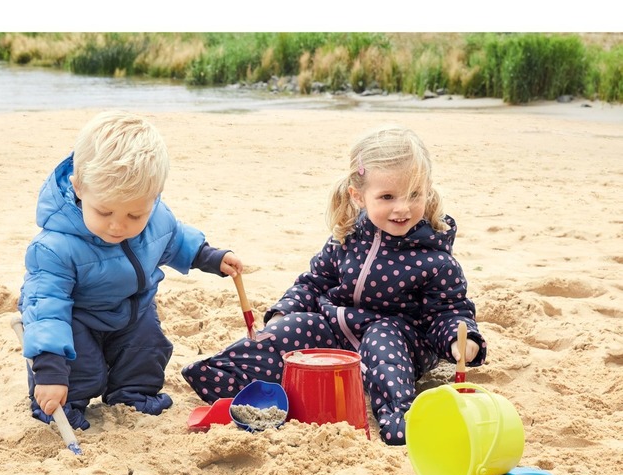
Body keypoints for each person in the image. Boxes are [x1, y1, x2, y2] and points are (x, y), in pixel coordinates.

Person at [182, 125, 486, 445]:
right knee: (298, 326)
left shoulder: (434, 258)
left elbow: (448, 310)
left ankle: (399, 416)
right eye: (387, 197)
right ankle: (227, 376)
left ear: (428, 190)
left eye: (414, 195)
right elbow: (314, 283)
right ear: (358, 196)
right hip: (338, 335)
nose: (402, 207)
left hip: (400, 344)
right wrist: (285, 312)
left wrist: (457, 338)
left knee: (382, 335)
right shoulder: (347, 237)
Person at [18, 110, 243, 430]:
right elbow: (46, 309)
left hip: (131, 306)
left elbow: (175, 238)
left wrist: (210, 257)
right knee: (83, 369)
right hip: (76, 316)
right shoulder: (54, 247)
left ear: (153, 199)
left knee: (148, 349)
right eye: (105, 211)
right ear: (79, 186)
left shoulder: (155, 217)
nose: (118, 225)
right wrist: (50, 368)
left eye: (135, 216)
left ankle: (131, 393)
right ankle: (60, 404)